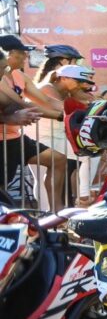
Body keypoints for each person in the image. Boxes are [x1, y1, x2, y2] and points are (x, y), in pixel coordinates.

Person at [0, 35, 69, 207]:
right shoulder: (3, 78)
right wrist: (62, 116)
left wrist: (75, 111)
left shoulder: (17, 75)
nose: (25, 57)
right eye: (21, 53)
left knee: (58, 160)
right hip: (2, 142)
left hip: (15, 138)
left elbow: (41, 101)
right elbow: (20, 105)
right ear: (9, 53)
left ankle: (56, 216)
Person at [35, 65, 98, 207]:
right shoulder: (47, 88)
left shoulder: (68, 91)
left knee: (85, 157)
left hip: (56, 137)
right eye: (79, 81)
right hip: (39, 137)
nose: (82, 84)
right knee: (44, 180)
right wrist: (83, 100)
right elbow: (66, 109)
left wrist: (87, 98)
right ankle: (47, 217)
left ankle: (76, 203)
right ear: (64, 78)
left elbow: (86, 103)